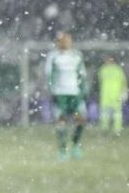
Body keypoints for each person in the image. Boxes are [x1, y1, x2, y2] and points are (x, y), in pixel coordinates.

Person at [44, 31, 87, 160]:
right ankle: (62, 150)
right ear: (58, 42)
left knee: (81, 119)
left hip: (75, 94)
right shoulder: (53, 56)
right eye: (63, 40)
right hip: (60, 94)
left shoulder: (77, 55)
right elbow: (49, 75)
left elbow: (82, 74)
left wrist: (83, 91)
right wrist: (52, 91)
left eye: (68, 40)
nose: (66, 42)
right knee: (61, 121)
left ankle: (75, 146)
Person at [98, 55, 127, 134]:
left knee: (116, 114)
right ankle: (105, 129)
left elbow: (123, 82)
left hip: (115, 95)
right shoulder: (103, 69)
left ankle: (117, 130)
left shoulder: (117, 70)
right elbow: (100, 81)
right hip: (106, 95)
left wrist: (124, 92)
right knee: (105, 114)